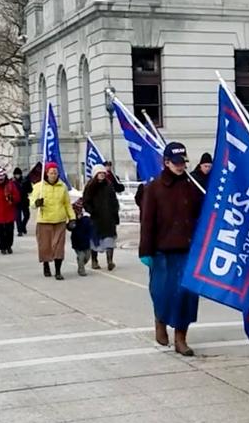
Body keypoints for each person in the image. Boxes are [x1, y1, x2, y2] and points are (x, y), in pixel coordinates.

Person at [139, 142, 204, 356]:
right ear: (166, 162)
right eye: (175, 162)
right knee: (162, 292)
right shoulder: (154, 188)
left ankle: (181, 337)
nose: (180, 166)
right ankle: (160, 320)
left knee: (186, 295)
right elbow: (147, 221)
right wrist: (146, 251)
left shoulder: (193, 185)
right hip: (162, 250)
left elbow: (202, 216)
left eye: (182, 162)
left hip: (188, 250)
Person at [33, 162, 75, 280]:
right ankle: (46, 265)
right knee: (45, 246)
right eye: (51, 173)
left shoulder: (63, 187)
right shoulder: (39, 186)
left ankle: (58, 270)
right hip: (44, 221)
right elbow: (32, 202)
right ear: (47, 173)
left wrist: (72, 218)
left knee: (58, 247)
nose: (53, 175)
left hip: (59, 220)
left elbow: (67, 204)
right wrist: (36, 203)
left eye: (55, 173)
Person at [82, 164, 125, 271]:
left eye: (103, 173)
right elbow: (86, 201)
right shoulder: (90, 186)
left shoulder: (109, 185)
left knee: (110, 239)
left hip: (109, 217)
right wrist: (91, 210)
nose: (101, 175)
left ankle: (110, 261)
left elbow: (114, 200)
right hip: (96, 218)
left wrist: (115, 212)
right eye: (99, 173)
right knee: (95, 240)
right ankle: (94, 260)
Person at [0, 166, 20, 255]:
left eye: (2, 178)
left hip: (9, 212)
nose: (0, 180)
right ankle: (2, 247)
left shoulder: (10, 185)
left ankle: (9, 246)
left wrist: (12, 198)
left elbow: (18, 197)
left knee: (9, 231)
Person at [70, 198, 95, 276]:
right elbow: (69, 226)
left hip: (87, 242)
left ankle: (81, 263)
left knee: (87, 256)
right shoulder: (73, 220)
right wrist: (70, 225)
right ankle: (81, 269)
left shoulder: (87, 219)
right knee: (81, 255)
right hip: (77, 242)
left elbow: (91, 228)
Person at [13, 167, 33, 236]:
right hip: (16, 202)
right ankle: (20, 231)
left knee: (27, 216)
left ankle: (23, 226)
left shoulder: (25, 180)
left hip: (24, 201)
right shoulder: (12, 182)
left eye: (18, 174)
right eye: (16, 174)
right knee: (18, 217)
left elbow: (30, 190)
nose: (17, 176)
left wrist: (28, 184)